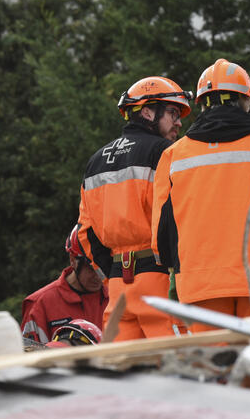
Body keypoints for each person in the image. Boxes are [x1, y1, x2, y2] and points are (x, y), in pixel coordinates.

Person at [152, 59, 250, 329]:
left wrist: (174, 268)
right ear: (245, 99)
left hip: (199, 285)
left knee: (213, 365)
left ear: (203, 102)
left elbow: (161, 231)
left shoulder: (173, 155)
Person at [77, 76, 192, 341]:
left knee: (120, 372)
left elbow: (85, 231)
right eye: (173, 112)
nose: (179, 122)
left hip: (118, 287)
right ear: (148, 111)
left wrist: (112, 275)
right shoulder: (168, 152)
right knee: (177, 369)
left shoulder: (96, 161)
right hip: (162, 281)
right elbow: (179, 217)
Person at [20, 225, 107, 344]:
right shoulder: (39, 304)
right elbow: (29, 355)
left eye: (105, 267)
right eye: (92, 269)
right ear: (73, 260)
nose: (100, 276)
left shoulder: (117, 296)